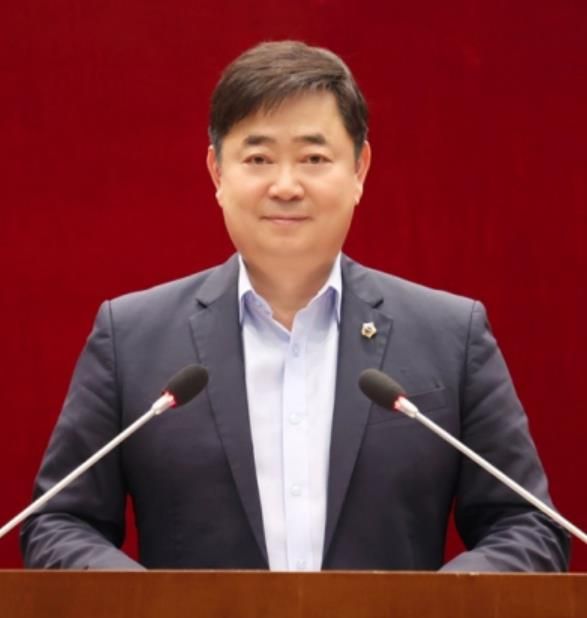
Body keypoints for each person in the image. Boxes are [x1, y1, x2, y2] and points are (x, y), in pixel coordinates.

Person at [21, 40, 569, 571]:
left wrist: (435, 609)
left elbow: (528, 525)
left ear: (359, 170)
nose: (286, 186)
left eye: (313, 157)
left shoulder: (450, 336)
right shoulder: (132, 338)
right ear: (217, 173)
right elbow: (58, 522)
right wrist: (146, 607)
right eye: (258, 158)